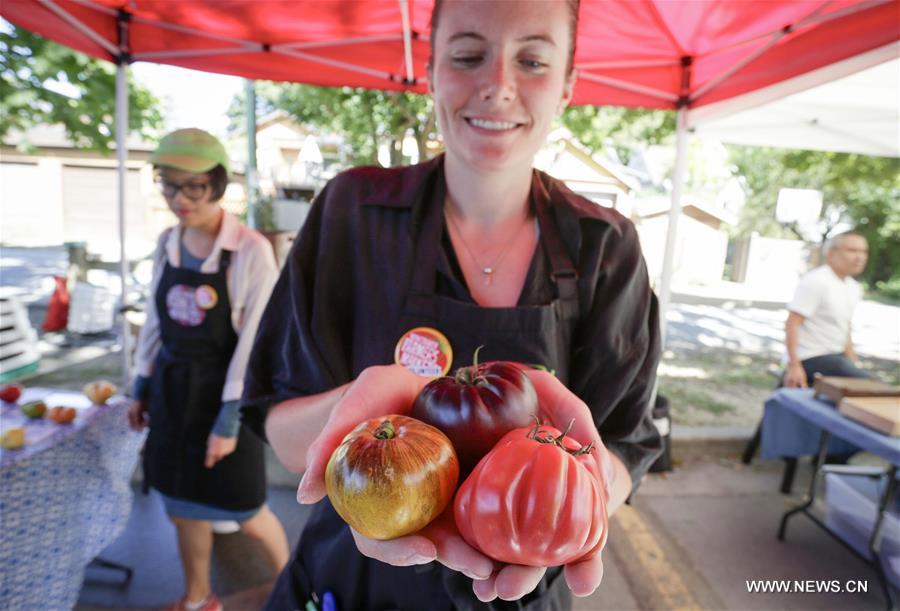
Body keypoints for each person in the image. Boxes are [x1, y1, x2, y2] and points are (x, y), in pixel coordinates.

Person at [242, 1, 661, 609]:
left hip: (521, 586)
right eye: (468, 56)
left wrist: (573, 501)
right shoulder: (353, 213)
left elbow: (623, 447)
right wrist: (364, 403)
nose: (497, 86)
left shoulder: (607, 246)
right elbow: (282, 435)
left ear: (568, 82)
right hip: (354, 577)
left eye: (534, 60)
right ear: (431, 69)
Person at [128, 128, 290, 611]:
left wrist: (229, 421)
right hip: (173, 390)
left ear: (217, 185)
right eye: (169, 185)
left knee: (245, 507)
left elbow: (256, 342)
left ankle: (293, 588)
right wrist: (141, 384)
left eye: (192, 186)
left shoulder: (249, 250)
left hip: (227, 395)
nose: (179, 199)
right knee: (181, 504)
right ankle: (199, 597)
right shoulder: (167, 243)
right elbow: (156, 320)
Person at [783, 230, 871, 388]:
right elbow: (792, 323)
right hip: (810, 357)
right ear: (831, 254)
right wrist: (794, 366)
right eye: (852, 250)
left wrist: (853, 361)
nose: (860, 257)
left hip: (836, 357)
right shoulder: (816, 281)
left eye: (864, 251)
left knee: (868, 384)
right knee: (870, 385)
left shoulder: (853, 287)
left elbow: (844, 327)